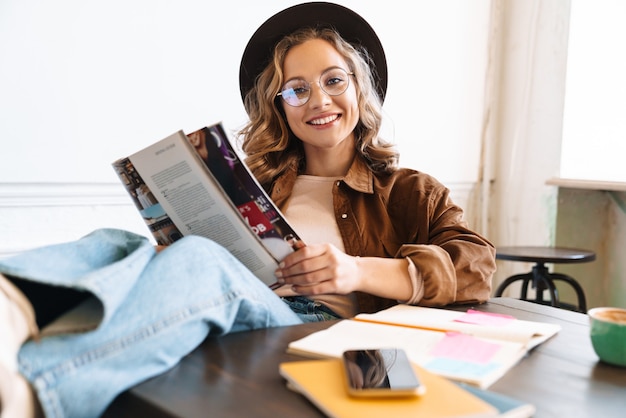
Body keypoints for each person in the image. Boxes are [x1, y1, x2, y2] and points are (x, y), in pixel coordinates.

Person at [0, 2, 496, 417]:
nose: (318, 99)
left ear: (359, 88)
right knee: (119, 241)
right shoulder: (258, 185)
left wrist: (355, 272)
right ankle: (10, 305)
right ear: (280, 106)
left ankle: (33, 391)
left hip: (313, 331)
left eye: (333, 80)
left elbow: (476, 265)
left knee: (203, 263)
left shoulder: (409, 191)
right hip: (233, 306)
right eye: (297, 89)